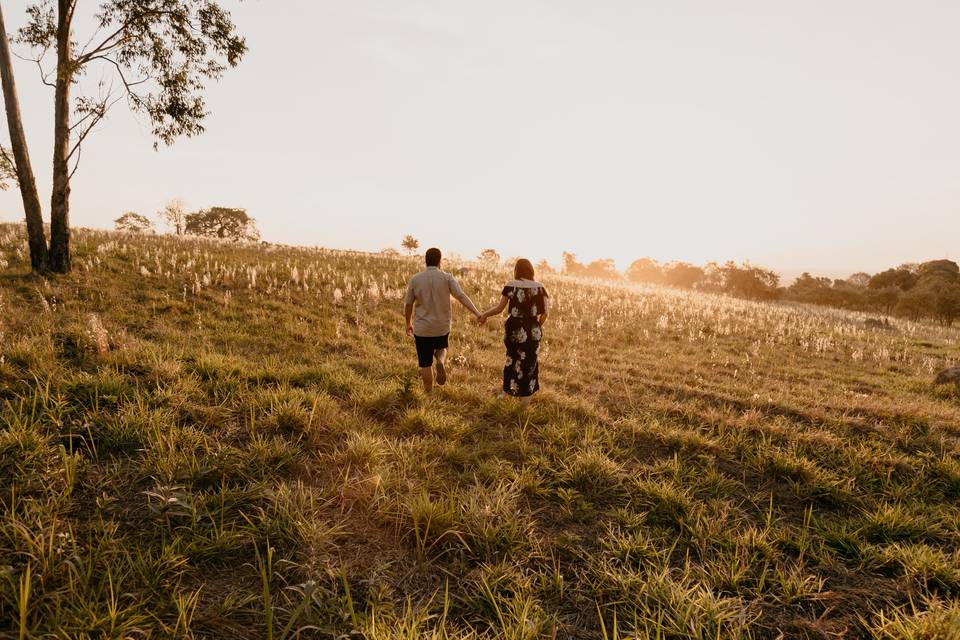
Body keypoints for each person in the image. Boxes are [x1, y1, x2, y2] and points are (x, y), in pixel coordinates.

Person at [404, 247, 482, 393]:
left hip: (422, 329)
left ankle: (428, 393)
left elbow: (408, 304)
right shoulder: (447, 278)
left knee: (425, 362)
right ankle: (440, 361)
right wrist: (477, 313)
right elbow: (461, 296)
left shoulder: (415, 279)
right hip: (441, 327)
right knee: (442, 348)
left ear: (425, 261)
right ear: (440, 261)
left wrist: (408, 323)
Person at [479, 258, 549, 407]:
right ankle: (524, 404)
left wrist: (484, 314)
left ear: (517, 270)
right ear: (531, 270)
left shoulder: (511, 285)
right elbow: (545, 314)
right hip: (533, 329)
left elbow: (499, 308)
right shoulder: (540, 287)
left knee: (512, 359)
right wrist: (536, 327)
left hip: (514, 328)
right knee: (530, 364)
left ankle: (505, 393)